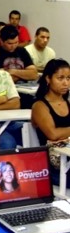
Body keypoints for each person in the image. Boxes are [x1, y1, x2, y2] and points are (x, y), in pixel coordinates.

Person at [31, 58, 70, 188]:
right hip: (55, 166)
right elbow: (53, 134)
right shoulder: (40, 106)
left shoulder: (67, 103)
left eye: (68, 78)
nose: (66, 83)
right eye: (60, 78)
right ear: (48, 79)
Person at [0, 25, 38, 108]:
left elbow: (34, 74)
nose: (14, 46)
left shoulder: (22, 51)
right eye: (10, 43)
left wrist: (12, 71)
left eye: (16, 42)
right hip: (5, 95)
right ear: (1, 41)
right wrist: (24, 75)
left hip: (25, 92)